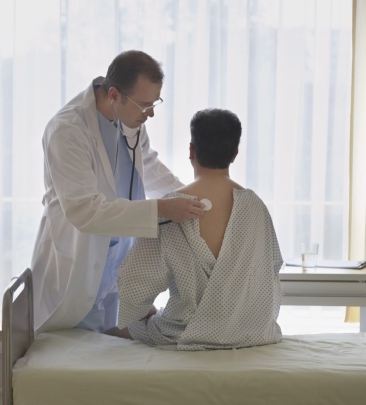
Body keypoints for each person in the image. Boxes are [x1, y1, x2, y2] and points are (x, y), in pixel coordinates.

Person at [31, 51, 205, 333]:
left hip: (119, 259)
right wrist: (161, 209)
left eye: (154, 103)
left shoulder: (129, 120)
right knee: (76, 356)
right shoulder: (67, 131)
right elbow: (84, 210)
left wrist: (190, 196)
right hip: (78, 261)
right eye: (144, 105)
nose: (149, 113)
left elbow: (147, 164)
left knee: (111, 351)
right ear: (114, 95)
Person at [106, 108, 283, 350]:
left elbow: (133, 287)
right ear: (235, 154)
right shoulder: (255, 206)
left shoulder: (172, 207)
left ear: (191, 151)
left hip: (184, 332)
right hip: (250, 332)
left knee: (117, 328)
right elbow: (271, 273)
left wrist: (147, 313)